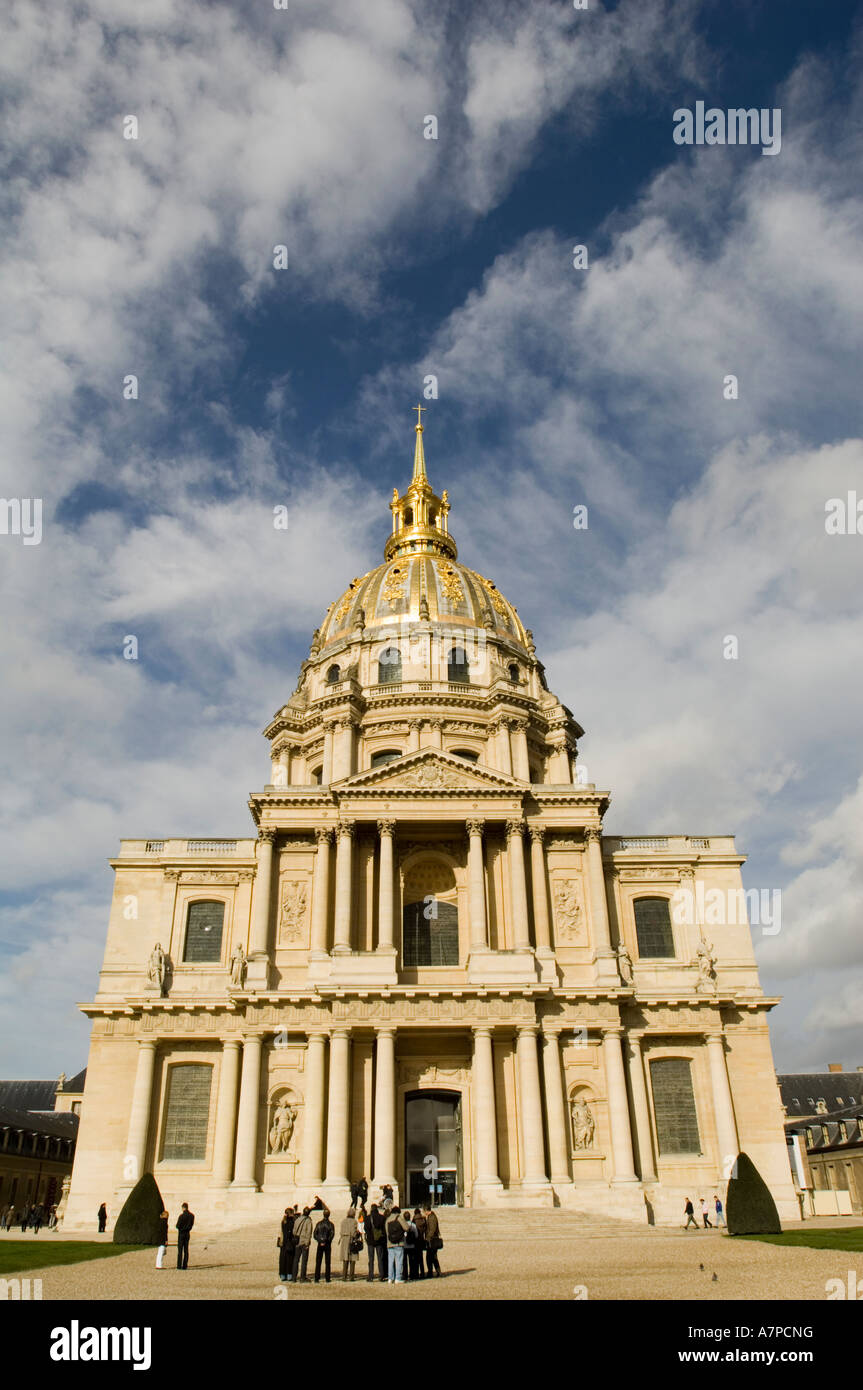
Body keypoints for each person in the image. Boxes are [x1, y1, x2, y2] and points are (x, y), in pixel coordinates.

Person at [385, 1205, 410, 1284]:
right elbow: (406, 1228)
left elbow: (387, 1232)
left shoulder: (387, 1220)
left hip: (390, 1243)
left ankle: (390, 1277)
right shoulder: (399, 1218)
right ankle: (398, 1278)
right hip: (399, 1242)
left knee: (390, 1261)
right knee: (399, 1260)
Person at [312, 1207, 335, 1283]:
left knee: (318, 1261)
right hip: (327, 1244)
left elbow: (315, 1234)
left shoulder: (319, 1223)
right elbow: (332, 1235)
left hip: (320, 1244)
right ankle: (327, 1278)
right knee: (327, 1262)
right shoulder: (331, 1224)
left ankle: (316, 1278)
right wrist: (326, 1241)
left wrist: (320, 1240)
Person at [291, 1207, 313, 1282]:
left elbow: (294, 1231)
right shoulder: (308, 1221)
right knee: (304, 1261)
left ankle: (294, 1277)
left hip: (297, 1242)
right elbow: (309, 1233)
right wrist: (307, 1244)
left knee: (296, 1260)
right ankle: (302, 1277)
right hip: (304, 1242)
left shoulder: (297, 1219)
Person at [339, 1207, 360, 1282]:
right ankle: (351, 1276)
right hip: (351, 1240)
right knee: (352, 1259)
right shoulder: (354, 1222)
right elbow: (353, 1233)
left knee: (345, 1259)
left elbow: (341, 1231)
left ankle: (344, 1276)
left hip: (344, 1240)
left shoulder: (343, 1221)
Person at [423, 1203, 442, 1277]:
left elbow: (432, 1229)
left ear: (426, 1210)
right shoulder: (430, 1217)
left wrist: (428, 1238)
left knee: (432, 1257)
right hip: (431, 1240)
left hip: (432, 1240)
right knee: (431, 1257)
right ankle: (433, 1271)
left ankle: (434, 1272)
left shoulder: (432, 1217)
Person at [278, 1207, 296, 1282]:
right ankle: (289, 1275)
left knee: (282, 1260)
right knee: (290, 1260)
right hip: (290, 1243)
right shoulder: (292, 1222)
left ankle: (282, 1275)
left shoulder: (283, 1221)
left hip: (283, 1243)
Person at [176, 1202, 194, 1268]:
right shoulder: (192, 1216)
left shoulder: (181, 1216)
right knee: (186, 1250)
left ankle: (179, 1265)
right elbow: (191, 1225)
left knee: (180, 1250)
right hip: (187, 1233)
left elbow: (177, 1226)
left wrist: (181, 1228)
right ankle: (185, 1265)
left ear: (183, 1208)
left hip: (181, 1233)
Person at [412, 1207, 427, 1279]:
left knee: (415, 1258)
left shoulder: (414, 1220)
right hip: (421, 1240)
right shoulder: (423, 1220)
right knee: (421, 1258)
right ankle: (422, 1272)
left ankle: (416, 1273)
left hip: (415, 1241)